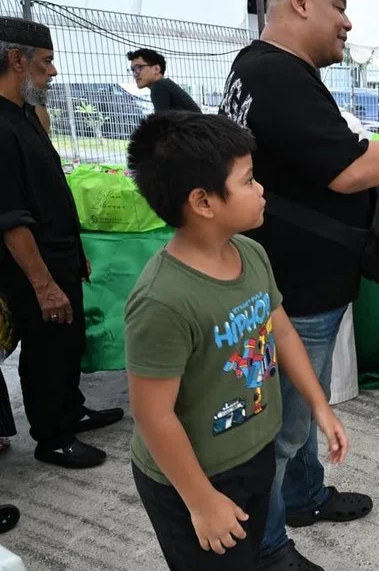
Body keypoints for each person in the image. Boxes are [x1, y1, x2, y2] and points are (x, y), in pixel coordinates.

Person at [218, 0, 379, 569]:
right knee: (281, 426)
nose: (348, 24)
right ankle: (268, 547)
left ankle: (304, 496)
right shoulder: (279, 76)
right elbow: (347, 167)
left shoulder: (257, 67)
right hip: (292, 290)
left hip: (296, 279)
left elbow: (326, 154)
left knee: (301, 403)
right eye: (340, 7)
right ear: (300, 1)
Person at [124, 111, 348, 571]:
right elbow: (153, 414)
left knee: (248, 554)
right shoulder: (163, 300)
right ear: (204, 202)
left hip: (254, 450)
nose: (261, 189)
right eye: (248, 181)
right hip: (192, 476)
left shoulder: (251, 253)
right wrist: (202, 501)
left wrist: (318, 405)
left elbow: (280, 329)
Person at [0, 16, 123, 469]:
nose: (53, 72)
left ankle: (71, 411)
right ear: (17, 59)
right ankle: (52, 437)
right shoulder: (1, 126)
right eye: (46, 62)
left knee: (68, 342)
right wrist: (42, 283)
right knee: (46, 351)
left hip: (60, 258)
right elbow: (11, 220)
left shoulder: (25, 114)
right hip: (35, 269)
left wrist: (76, 252)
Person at [128, 48, 202, 114]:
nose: (135, 74)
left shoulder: (159, 87)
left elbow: (161, 124)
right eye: (133, 70)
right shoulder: (166, 85)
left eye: (138, 68)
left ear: (156, 69)